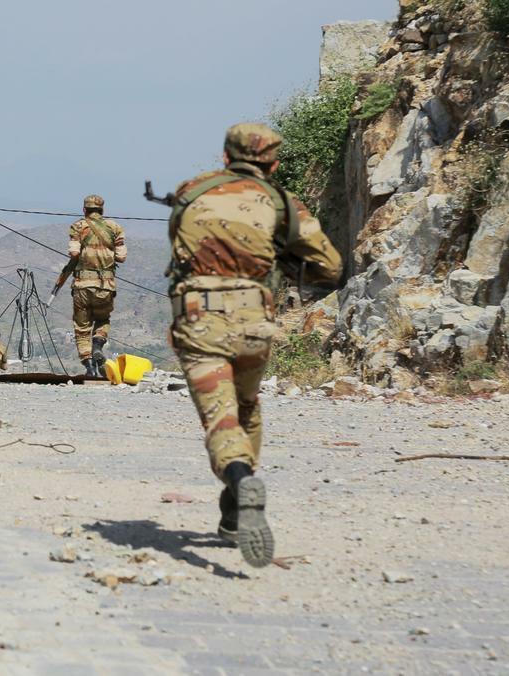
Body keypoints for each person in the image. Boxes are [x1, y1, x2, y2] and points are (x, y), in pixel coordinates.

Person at [167, 123, 342, 568]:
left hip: (199, 315)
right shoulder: (284, 202)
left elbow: (179, 243)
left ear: (226, 157)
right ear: (275, 163)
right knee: (246, 408)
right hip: (253, 316)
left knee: (220, 415)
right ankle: (232, 512)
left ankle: (240, 480)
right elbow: (329, 266)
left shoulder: (192, 190)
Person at [68, 194, 127, 377]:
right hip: (106, 286)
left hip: (82, 286)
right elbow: (122, 257)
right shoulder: (115, 227)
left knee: (82, 327)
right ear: (102, 210)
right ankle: (98, 344)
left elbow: (73, 252)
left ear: (84, 210)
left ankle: (89, 367)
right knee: (103, 319)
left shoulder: (78, 227)